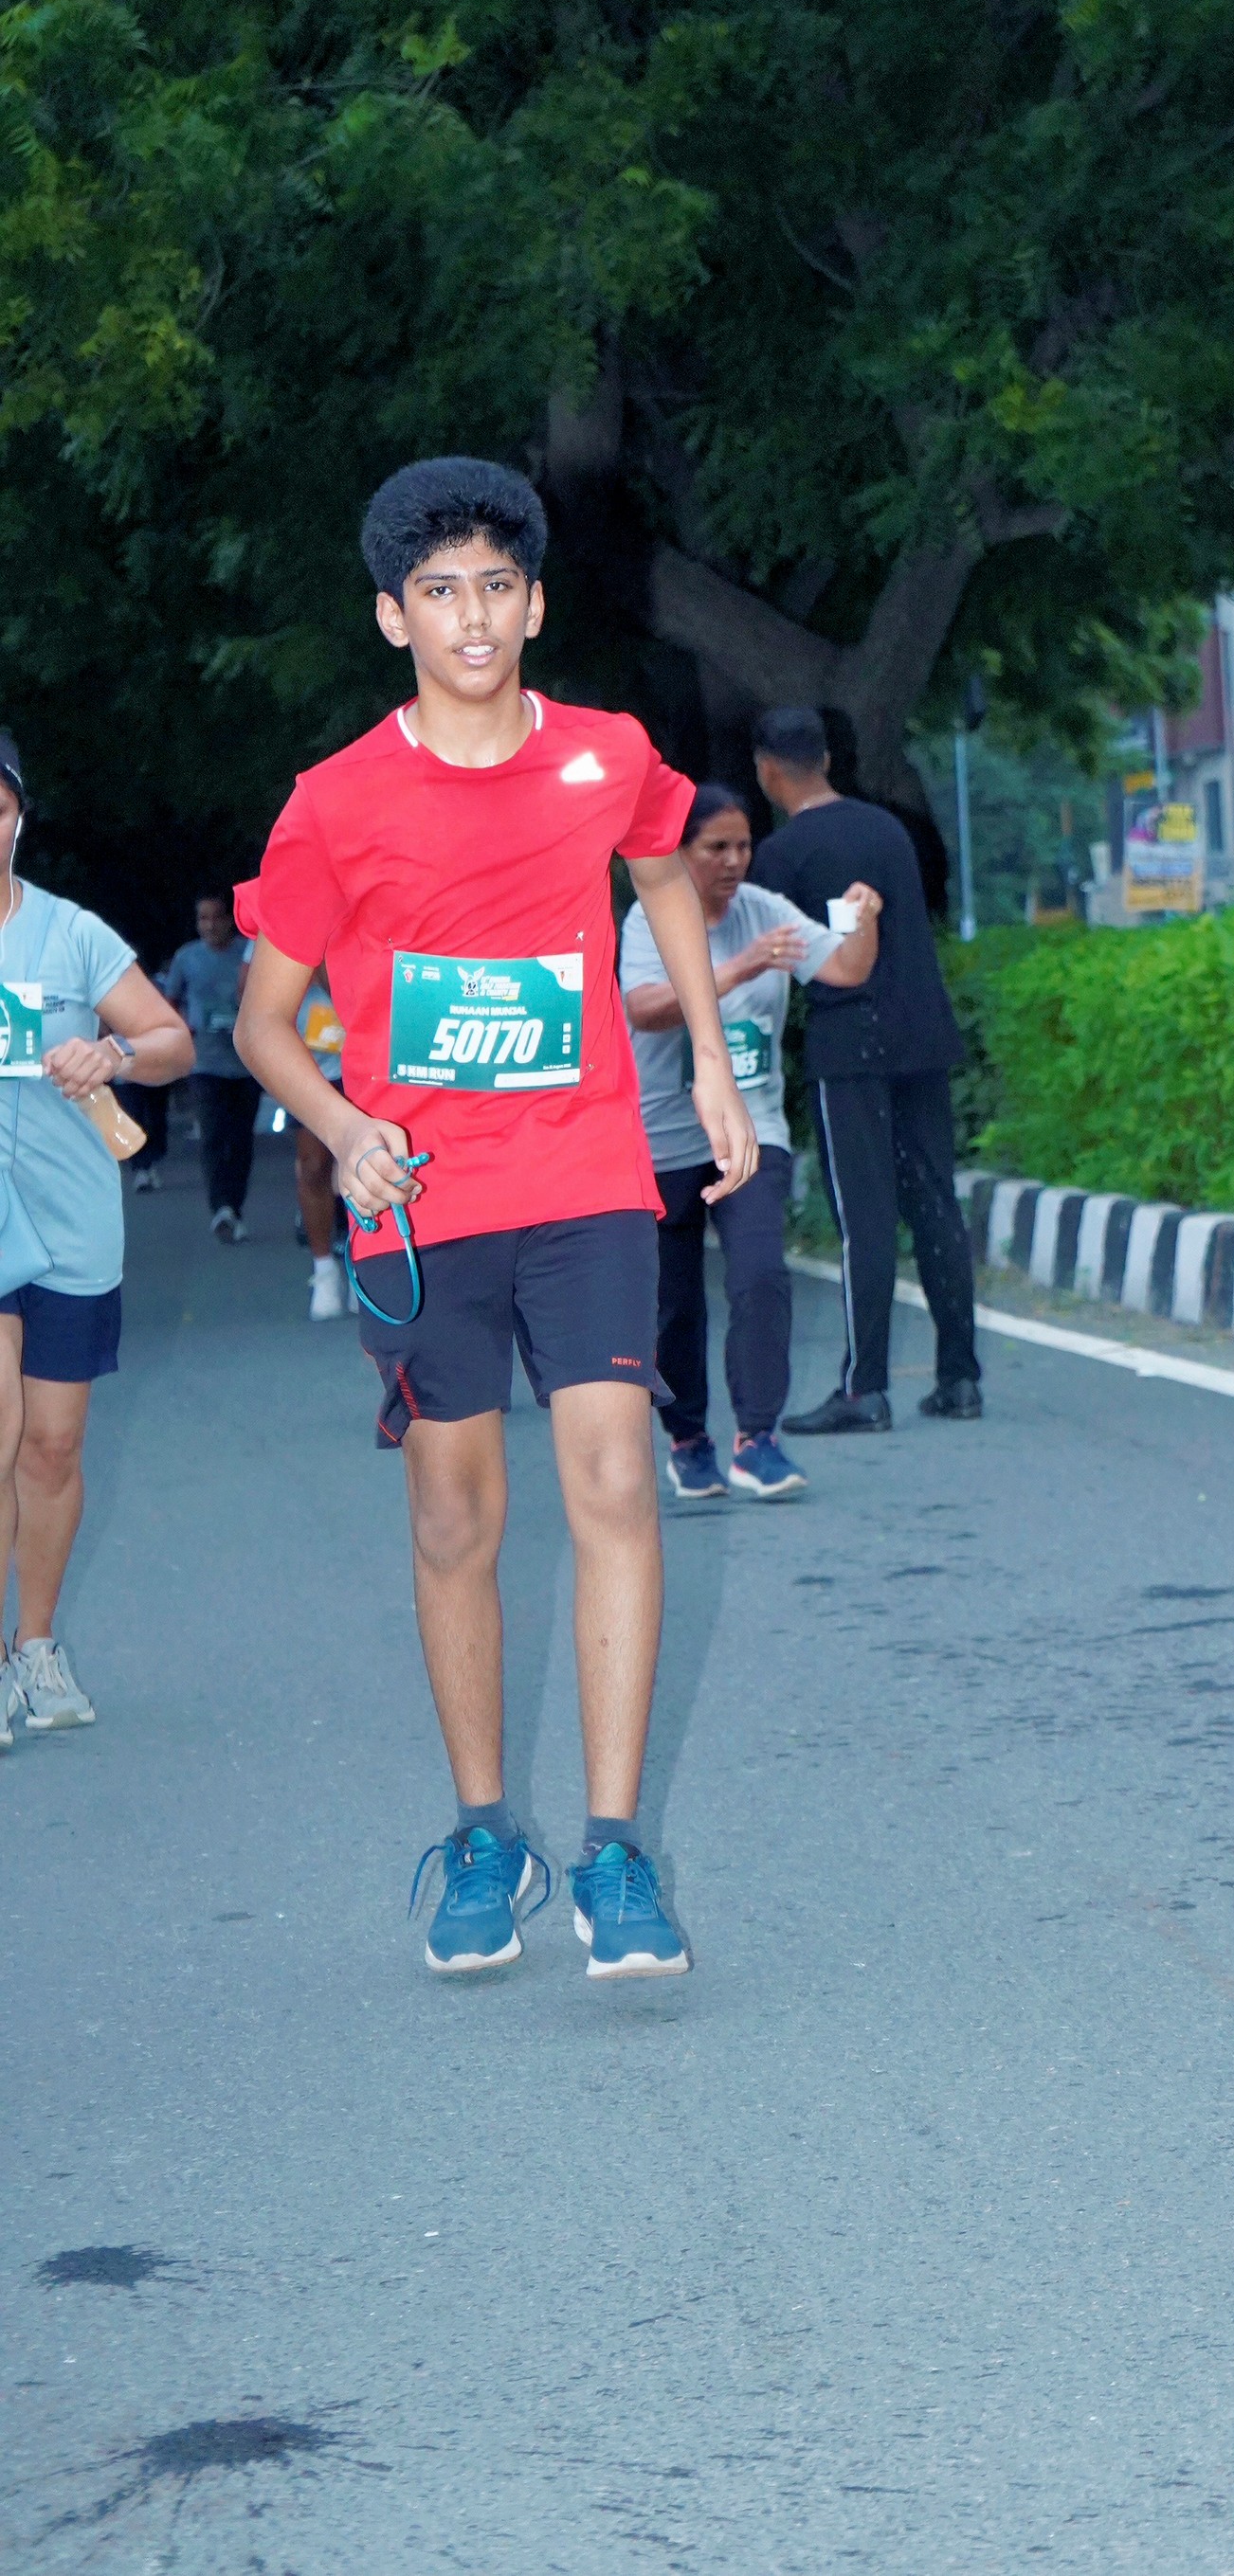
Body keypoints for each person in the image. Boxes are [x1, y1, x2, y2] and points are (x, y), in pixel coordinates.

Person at [234, 457, 755, 1981]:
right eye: (440, 591)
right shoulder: (336, 801)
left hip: (585, 1176)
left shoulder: (607, 753)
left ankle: (615, 1854)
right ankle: (483, 1835)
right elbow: (266, 1022)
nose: (472, 616)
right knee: (456, 1517)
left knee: (616, 1480)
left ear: (535, 603)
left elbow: (664, 876)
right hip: (426, 1203)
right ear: (393, 616)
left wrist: (710, 1064)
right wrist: (347, 1129)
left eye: (498, 587)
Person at [0, 730, 193, 1743]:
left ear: (18, 820)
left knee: (52, 1444)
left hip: (73, 1222)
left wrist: (111, 1053)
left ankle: (34, 1645)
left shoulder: (70, 934)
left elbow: (173, 1042)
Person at [622, 780, 880, 1506]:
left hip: (751, 1127)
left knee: (761, 1275)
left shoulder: (766, 911)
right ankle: (687, 1440)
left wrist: (864, 919)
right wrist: (740, 968)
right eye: (717, 847)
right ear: (679, 851)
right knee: (674, 1306)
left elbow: (846, 968)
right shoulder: (648, 919)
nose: (734, 861)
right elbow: (644, 1009)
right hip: (663, 1136)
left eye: (743, 846)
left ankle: (757, 1438)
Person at [750, 707, 982, 1431]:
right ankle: (960, 1377)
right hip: (923, 1033)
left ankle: (865, 1388)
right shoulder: (888, 829)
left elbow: (780, 965)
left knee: (865, 1216)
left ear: (767, 771)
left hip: (849, 1045)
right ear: (825, 758)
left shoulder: (781, 857)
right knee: (935, 1202)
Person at [163, 892, 260, 1241]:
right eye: (203, 919)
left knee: (241, 1139)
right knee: (213, 1136)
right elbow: (169, 1001)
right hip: (204, 1063)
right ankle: (221, 1208)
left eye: (216, 917)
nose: (210, 925)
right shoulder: (187, 957)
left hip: (247, 1062)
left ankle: (235, 1205)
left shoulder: (247, 954)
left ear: (229, 920)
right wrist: (182, 1028)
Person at [297, 975, 351, 1320]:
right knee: (314, 1166)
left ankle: (363, 1264)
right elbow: (248, 990)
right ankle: (324, 1269)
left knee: (365, 1161)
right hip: (312, 1064)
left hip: (368, 1058)